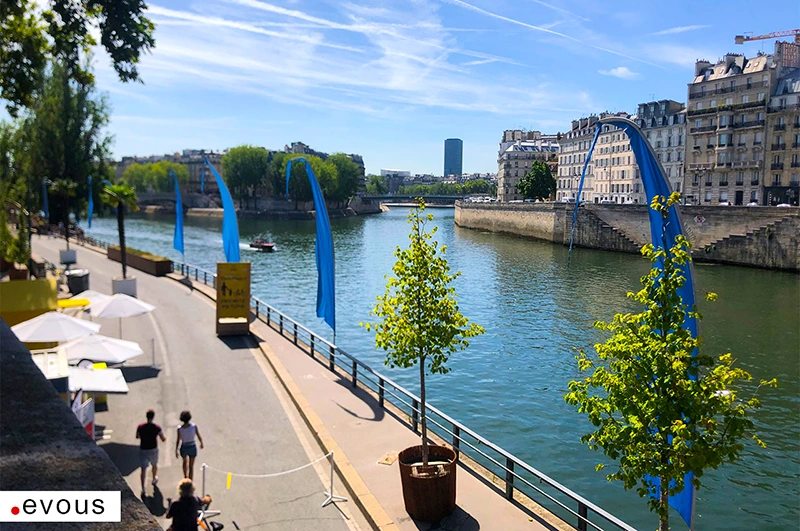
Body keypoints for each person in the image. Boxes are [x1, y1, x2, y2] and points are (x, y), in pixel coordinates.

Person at [136, 409, 166, 496]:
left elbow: (137, 436)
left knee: (143, 468)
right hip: (153, 449)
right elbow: (163, 438)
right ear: (153, 417)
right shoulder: (156, 427)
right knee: (154, 464)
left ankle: (143, 488)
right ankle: (154, 478)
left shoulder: (140, 426)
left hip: (143, 449)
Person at [175, 410, 204, 480]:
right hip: (192, 446)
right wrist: (201, 442)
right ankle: (190, 480)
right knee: (191, 466)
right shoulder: (194, 426)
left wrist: (176, 450)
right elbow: (198, 435)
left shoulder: (179, 429)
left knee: (184, 462)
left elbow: (178, 440)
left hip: (184, 446)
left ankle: (185, 477)